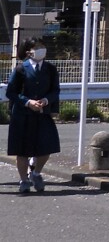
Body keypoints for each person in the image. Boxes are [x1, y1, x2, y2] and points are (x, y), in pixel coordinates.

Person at [6, 37, 60, 194]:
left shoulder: (50, 69)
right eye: (36, 47)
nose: (40, 49)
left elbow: (55, 90)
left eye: (42, 46)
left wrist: (45, 100)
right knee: (21, 150)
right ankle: (23, 180)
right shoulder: (21, 69)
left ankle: (35, 173)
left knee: (46, 146)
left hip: (43, 114)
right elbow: (11, 92)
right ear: (28, 51)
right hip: (22, 115)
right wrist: (28, 102)